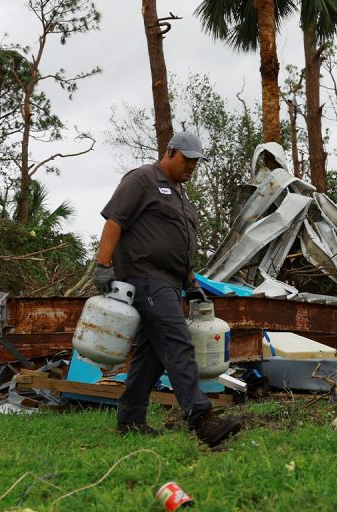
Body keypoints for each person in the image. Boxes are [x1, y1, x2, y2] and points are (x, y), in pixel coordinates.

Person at [93, 130, 242, 447]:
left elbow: (178, 244)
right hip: (144, 276)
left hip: (171, 282)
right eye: (188, 160)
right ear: (170, 152)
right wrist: (102, 265)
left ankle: (130, 419)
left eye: (196, 163)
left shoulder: (180, 194)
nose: (192, 167)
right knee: (177, 341)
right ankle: (202, 420)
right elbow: (114, 221)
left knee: (151, 354)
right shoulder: (143, 179)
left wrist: (190, 283)